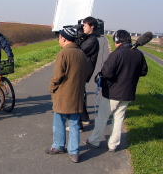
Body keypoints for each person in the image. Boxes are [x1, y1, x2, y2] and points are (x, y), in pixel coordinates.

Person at [85, 30, 148, 152]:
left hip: (112, 92)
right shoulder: (138, 54)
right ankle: (113, 145)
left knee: (102, 117)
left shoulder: (116, 54)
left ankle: (94, 140)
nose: (114, 43)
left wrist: (100, 75)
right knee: (119, 118)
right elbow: (143, 71)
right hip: (128, 93)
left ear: (118, 40)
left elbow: (107, 73)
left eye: (115, 41)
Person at [45, 27, 89, 163]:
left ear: (64, 38)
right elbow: (86, 73)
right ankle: (74, 152)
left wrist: (51, 88)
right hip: (77, 95)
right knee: (75, 124)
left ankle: (58, 146)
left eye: (59, 37)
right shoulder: (82, 54)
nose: (59, 39)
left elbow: (57, 76)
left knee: (58, 122)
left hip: (63, 95)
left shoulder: (64, 53)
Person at [77, 16, 100, 128]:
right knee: (80, 95)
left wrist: (78, 37)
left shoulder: (93, 40)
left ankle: (78, 125)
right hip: (83, 69)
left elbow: (78, 51)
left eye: (85, 25)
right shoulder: (89, 38)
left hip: (83, 70)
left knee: (77, 96)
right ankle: (85, 119)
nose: (83, 27)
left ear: (92, 27)